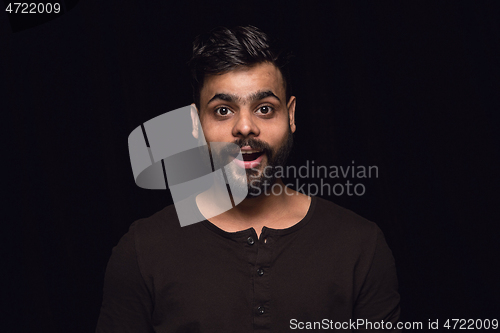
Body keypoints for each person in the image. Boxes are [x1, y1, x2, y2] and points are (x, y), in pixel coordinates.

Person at [96, 25, 400, 332]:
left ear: (291, 116)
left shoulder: (360, 245)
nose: (245, 127)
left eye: (265, 108)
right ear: (195, 123)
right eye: (223, 110)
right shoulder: (142, 250)